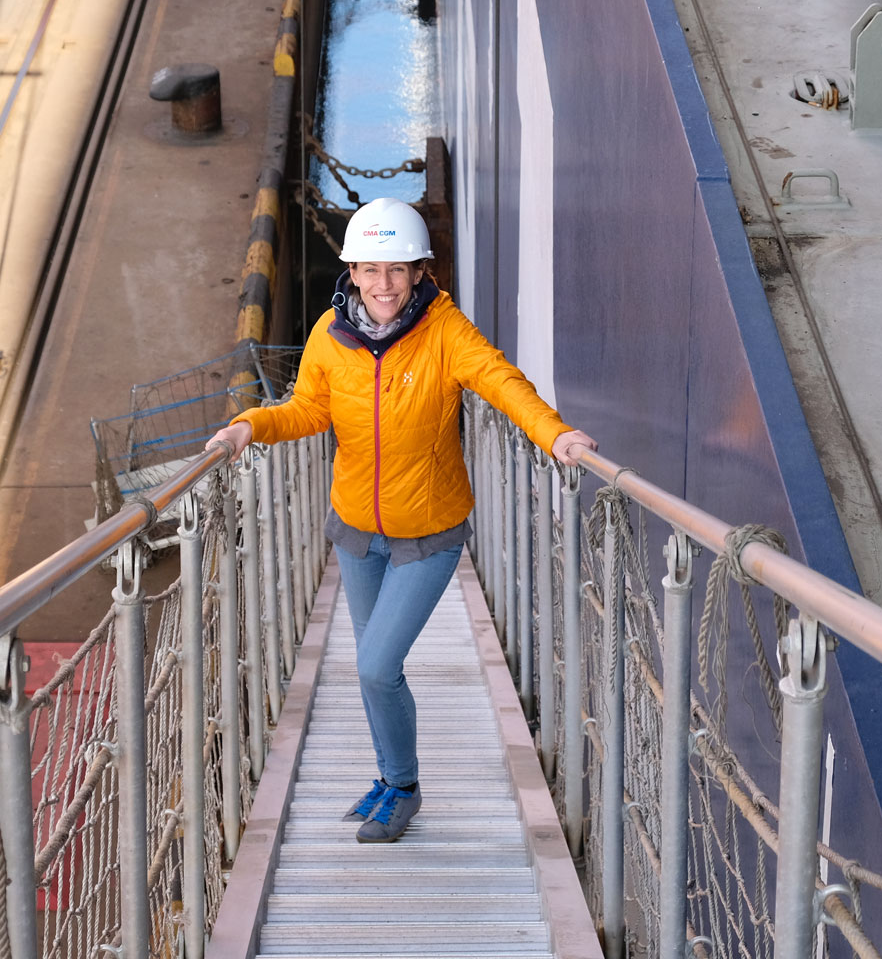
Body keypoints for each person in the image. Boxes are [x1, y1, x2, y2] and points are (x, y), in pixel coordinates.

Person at [206, 197, 596, 843]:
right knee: (374, 666)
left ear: (419, 272)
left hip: (429, 535)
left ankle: (406, 787)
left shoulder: (445, 333)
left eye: (398, 270)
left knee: (375, 667)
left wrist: (554, 436)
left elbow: (502, 382)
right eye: (370, 269)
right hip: (356, 533)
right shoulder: (332, 335)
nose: (383, 284)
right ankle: (390, 778)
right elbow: (307, 410)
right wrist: (251, 425)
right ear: (352, 272)